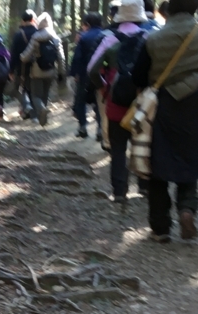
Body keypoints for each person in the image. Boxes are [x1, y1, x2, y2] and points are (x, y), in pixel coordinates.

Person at [133, 0, 198, 242]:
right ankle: (186, 209)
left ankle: (160, 228)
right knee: (189, 157)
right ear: (194, 9)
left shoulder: (153, 38)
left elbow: (138, 74)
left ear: (169, 11)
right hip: (195, 103)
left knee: (158, 164)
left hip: (163, 104)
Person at [89, 0, 152, 202]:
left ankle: (119, 191)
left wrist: (102, 86)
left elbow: (91, 69)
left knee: (118, 148)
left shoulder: (109, 39)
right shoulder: (150, 37)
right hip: (143, 101)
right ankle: (144, 185)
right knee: (142, 142)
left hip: (116, 100)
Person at [20, 12, 66, 126]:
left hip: (36, 72)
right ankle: (43, 121)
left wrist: (21, 57)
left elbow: (25, 56)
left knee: (36, 95)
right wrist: (61, 72)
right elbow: (61, 58)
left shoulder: (36, 37)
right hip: (51, 71)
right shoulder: (56, 38)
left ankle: (41, 110)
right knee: (45, 95)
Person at [71, 13, 108, 139]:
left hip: (84, 74)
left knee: (81, 100)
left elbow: (77, 58)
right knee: (99, 100)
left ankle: (82, 127)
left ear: (87, 24)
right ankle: (99, 129)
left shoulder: (83, 37)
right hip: (102, 73)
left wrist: (75, 73)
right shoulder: (106, 35)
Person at [10, 11, 39, 119]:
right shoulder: (38, 33)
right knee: (33, 90)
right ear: (33, 20)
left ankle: (27, 106)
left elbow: (13, 53)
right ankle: (33, 115)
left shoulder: (18, 35)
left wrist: (11, 70)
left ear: (22, 21)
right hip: (37, 66)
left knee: (18, 90)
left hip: (21, 67)